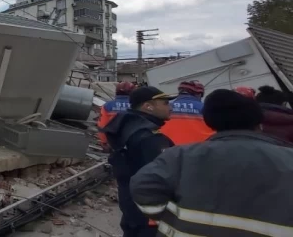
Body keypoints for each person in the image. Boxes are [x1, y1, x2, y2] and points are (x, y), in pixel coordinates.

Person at [130, 89, 293, 236]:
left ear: (210, 121)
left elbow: (142, 185)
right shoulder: (287, 157)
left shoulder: (179, 155)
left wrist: (168, 218)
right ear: (259, 123)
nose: (170, 107)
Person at [101, 86, 176, 237]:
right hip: (149, 212)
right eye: (165, 103)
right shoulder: (150, 137)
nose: (171, 107)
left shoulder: (129, 126)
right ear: (148, 106)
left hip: (131, 203)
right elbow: (162, 176)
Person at [160, 80, 214, 145]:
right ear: (199, 94)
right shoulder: (206, 108)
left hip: (172, 151)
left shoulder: (165, 108)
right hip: (202, 150)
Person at [97, 81, 135, 148]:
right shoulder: (137, 105)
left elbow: (102, 125)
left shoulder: (107, 106)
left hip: (114, 143)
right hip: (134, 142)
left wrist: (104, 142)